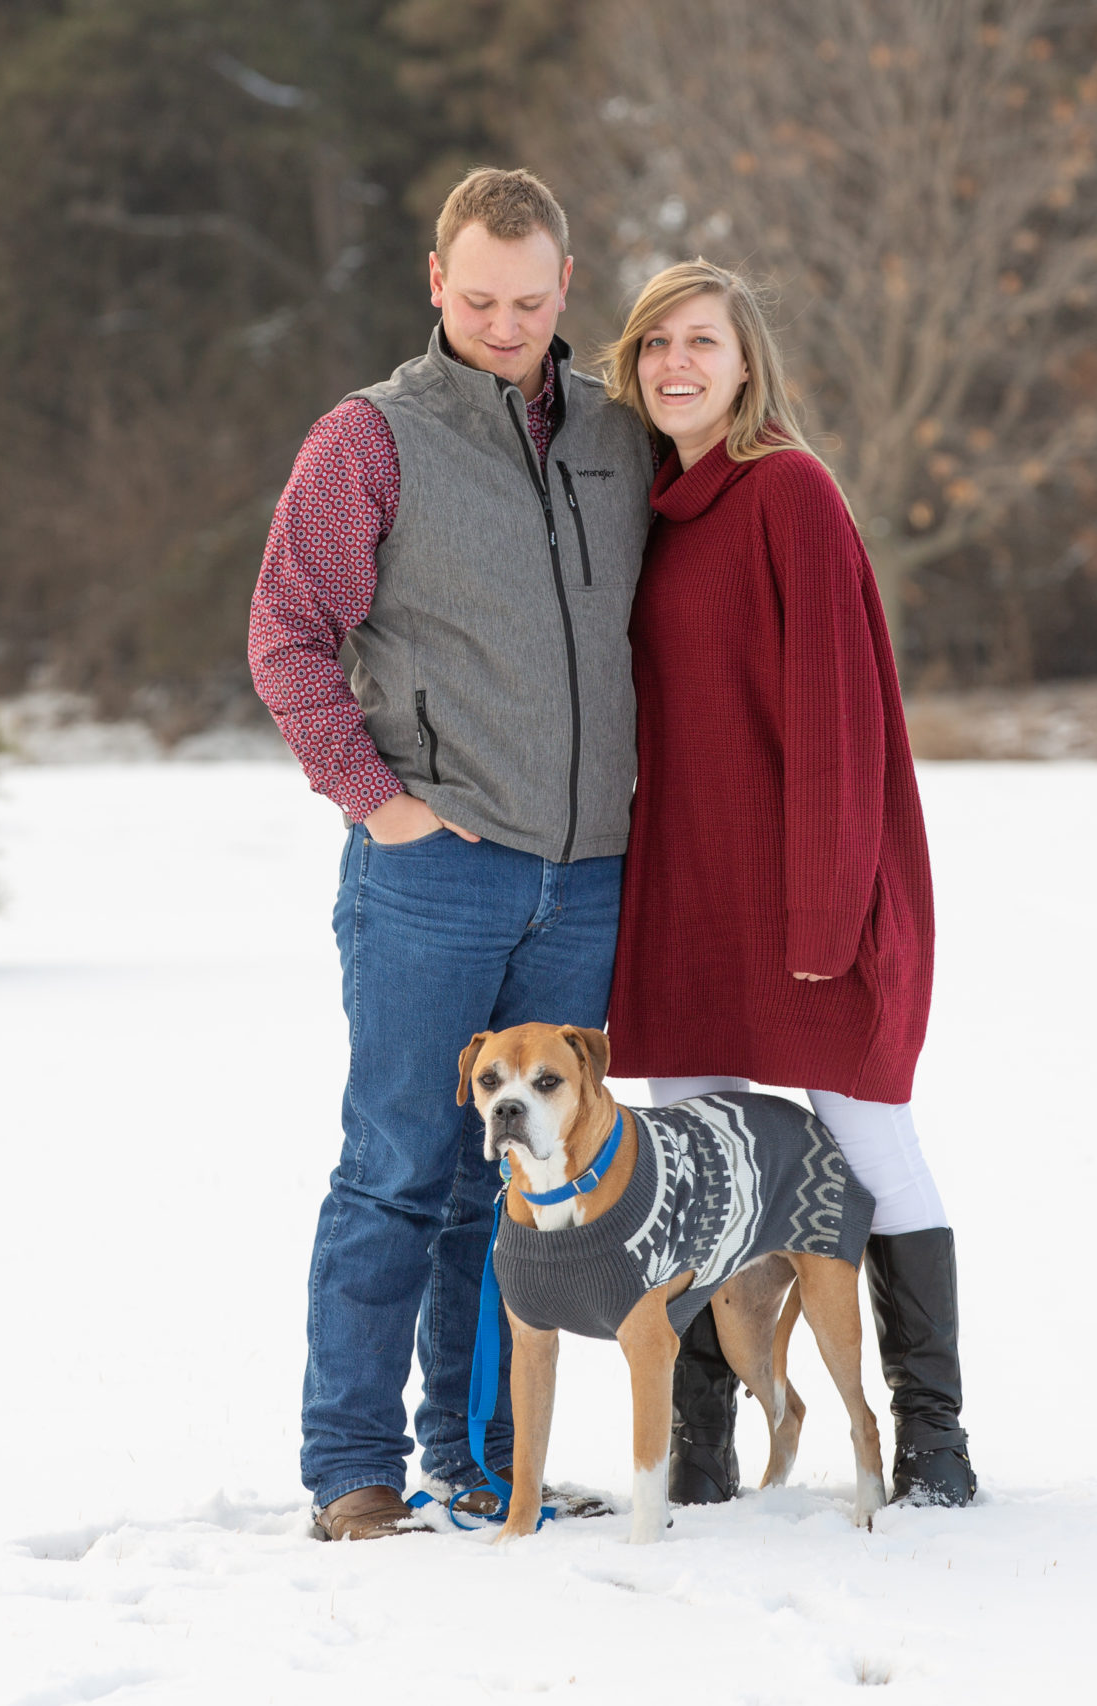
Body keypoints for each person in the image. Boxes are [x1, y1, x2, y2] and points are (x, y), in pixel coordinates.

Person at [247, 168, 655, 1541]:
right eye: (476, 297)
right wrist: (376, 800)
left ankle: (486, 1458)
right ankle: (356, 1471)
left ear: (567, 285)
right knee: (401, 1168)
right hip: (434, 868)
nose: (502, 322)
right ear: (435, 280)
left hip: (585, 871)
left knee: (532, 1179)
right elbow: (287, 633)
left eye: (529, 302)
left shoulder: (615, 434)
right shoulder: (372, 438)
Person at [601, 259, 976, 1508]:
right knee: (695, 1169)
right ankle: (702, 1446)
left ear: (744, 360)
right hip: (684, 885)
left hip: (806, 884)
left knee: (868, 1142)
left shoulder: (792, 493)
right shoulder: (641, 509)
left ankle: (933, 1440)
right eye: (653, 345)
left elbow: (838, 715)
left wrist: (828, 908)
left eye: (699, 342)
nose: (675, 366)